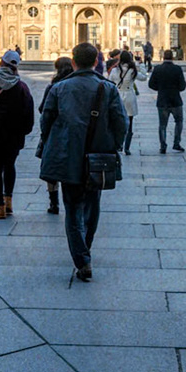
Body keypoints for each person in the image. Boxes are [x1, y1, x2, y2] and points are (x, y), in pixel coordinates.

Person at [35, 43, 128, 281]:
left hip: (68, 157)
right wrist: (113, 146)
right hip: (98, 157)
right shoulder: (107, 88)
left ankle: (82, 259)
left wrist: (51, 145)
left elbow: (46, 122)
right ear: (96, 62)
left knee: (72, 208)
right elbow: (121, 123)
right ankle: (85, 249)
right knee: (93, 205)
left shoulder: (59, 88)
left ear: (74, 62)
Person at [0, 48, 36, 219]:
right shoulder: (22, 87)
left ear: (1, 62)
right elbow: (29, 115)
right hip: (13, 136)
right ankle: (9, 201)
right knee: (9, 166)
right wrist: (24, 132)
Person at [39, 56, 75, 213]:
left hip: (55, 132)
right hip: (73, 132)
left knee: (52, 170)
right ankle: (71, 200)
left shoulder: (53, 86)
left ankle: (54, 203)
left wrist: (45, 133)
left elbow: (43, 110)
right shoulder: (75, 85)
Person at [148, 48, 186, 152]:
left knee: (162, 124)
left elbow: (151, 84)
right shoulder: (177, 69)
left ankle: (163, 146)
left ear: (163, 57)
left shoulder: (157, 69)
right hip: (176, 100)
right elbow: (182, 86)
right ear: (172, 57)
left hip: (162, 100)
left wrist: (160, 88)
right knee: (179, 121)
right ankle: (176, 143)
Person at [110, 48, 139, 154]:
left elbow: (110, 83)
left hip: (118, 96)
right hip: (129, 96)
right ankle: (127, 148)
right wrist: (141, 65)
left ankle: (119, 144)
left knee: (117, 121)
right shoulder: (133, 70)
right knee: (130, 123)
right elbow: (143, 77)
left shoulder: (115, 70)